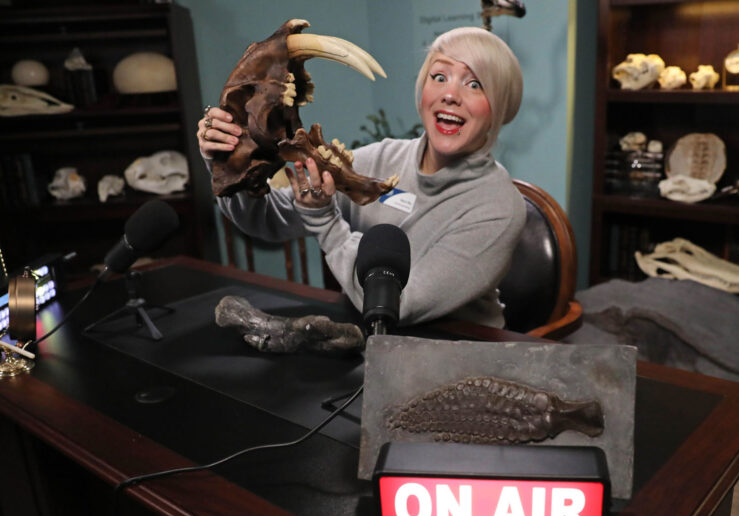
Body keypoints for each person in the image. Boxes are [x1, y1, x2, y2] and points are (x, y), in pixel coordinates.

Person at [198, 26, 526, 328]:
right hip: (366, 342)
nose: (450, 94)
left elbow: (400, 305)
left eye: (474, 84)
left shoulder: (498, 205)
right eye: (439, 77)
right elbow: (266, 220)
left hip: (458, 357)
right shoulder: (380, 159)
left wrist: (326, 223)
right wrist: (230, 161)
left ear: (498, 106)